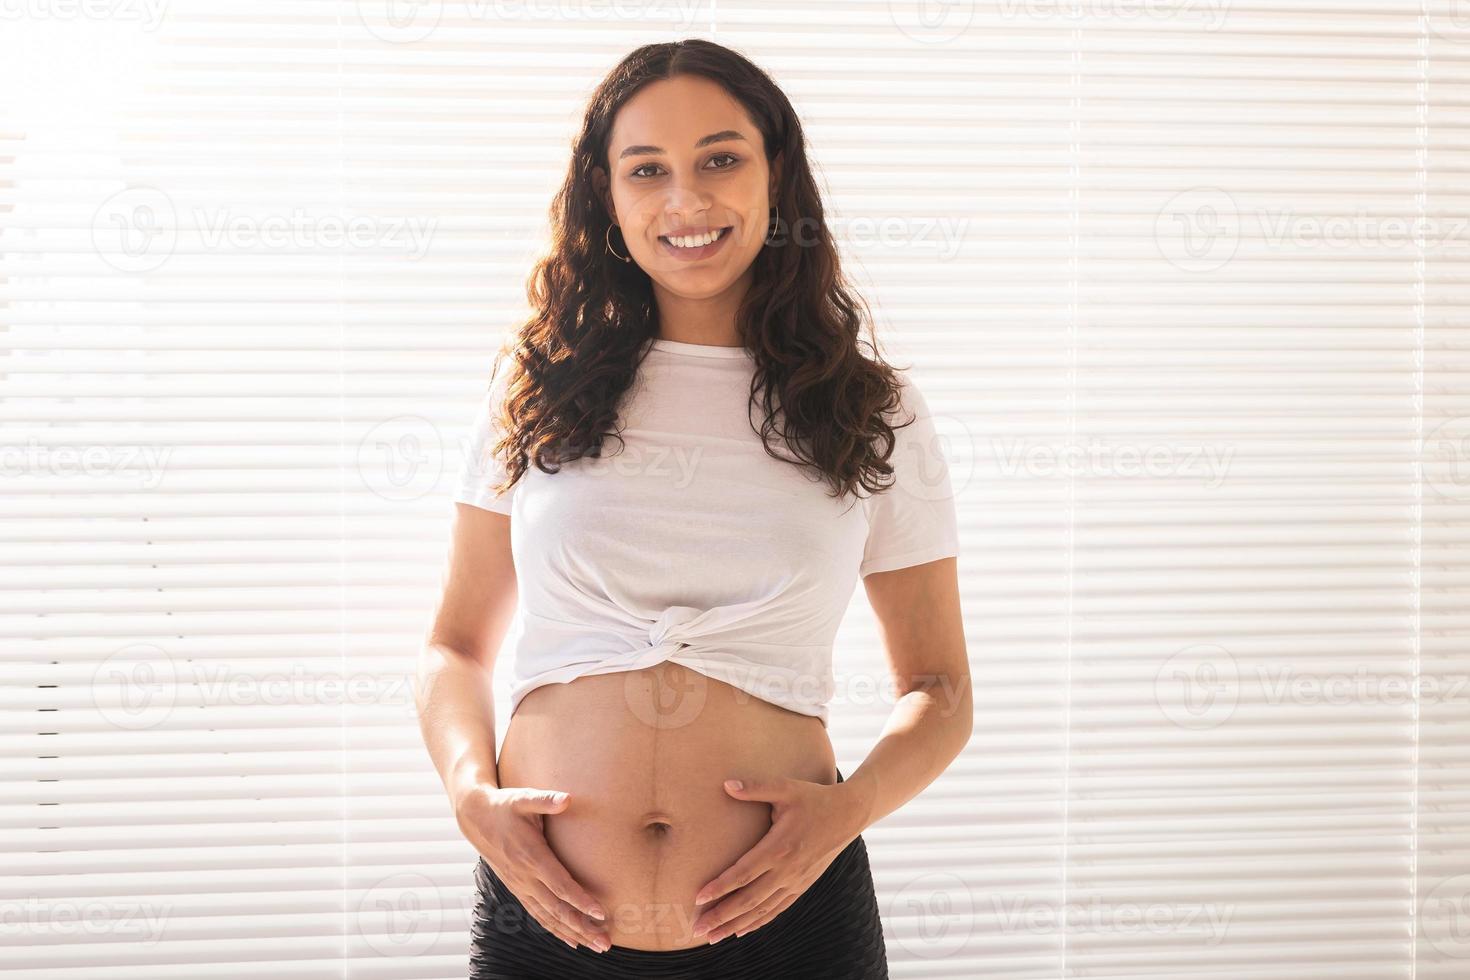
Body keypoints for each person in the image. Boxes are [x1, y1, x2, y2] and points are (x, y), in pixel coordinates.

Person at [415, 38, 971, 980]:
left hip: (794, 927)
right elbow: (456, 649)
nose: (686, 200)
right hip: (543, 925)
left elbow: (940, 692)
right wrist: (471, 795)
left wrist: (849, 809)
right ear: (608, 195)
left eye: (720, 158)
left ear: (775, 173)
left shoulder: (868, 408)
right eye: (647, 170)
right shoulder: (536, 388)